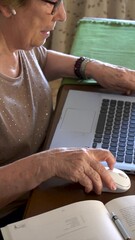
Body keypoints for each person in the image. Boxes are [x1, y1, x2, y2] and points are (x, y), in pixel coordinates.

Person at [0, 0, 135, 229]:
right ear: (6, 5)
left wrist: (93, 68)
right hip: (20, 213)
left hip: (46, 177)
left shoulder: (15, 41)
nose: (61, 15)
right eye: (52, 3)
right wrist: (47, 164)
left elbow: (41, 59)